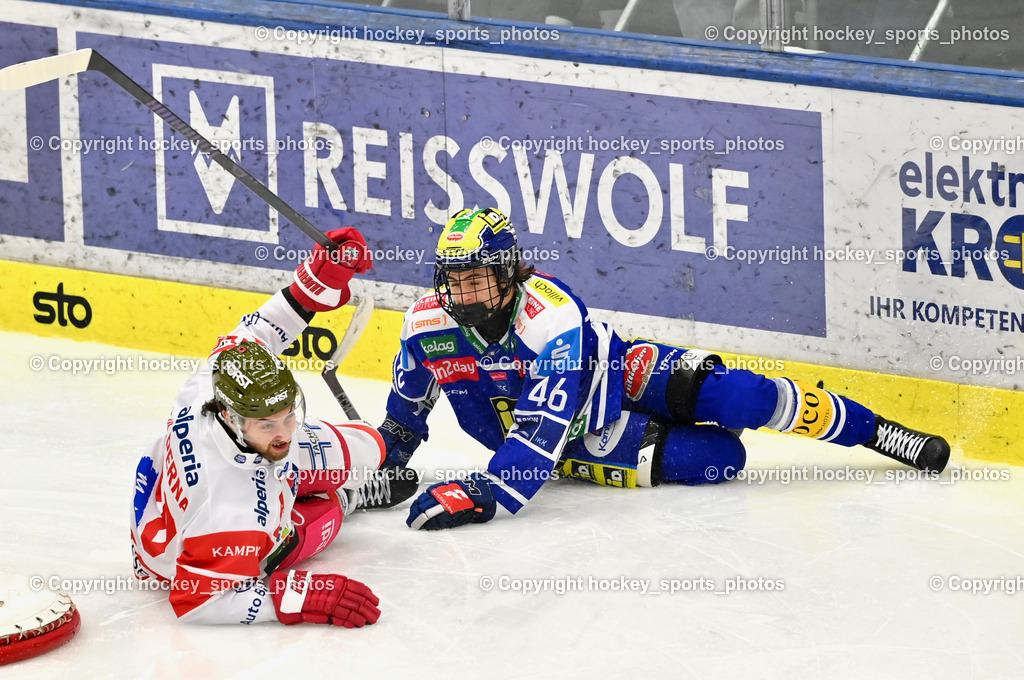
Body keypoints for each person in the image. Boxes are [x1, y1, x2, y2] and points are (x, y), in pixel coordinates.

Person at [375, 208, 950, 530]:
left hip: (612, 375)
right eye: (454, 278)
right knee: (721, 460)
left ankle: (874, 431)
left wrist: (484, 494)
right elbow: (401, 422)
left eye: (476, 278)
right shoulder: (428, 327)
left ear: (506, 276)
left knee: (741, 397)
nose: (463, 291)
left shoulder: (550, 318)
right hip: (581, 439)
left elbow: (534, 434)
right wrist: (374, 473)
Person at [131, 227, 387, 626]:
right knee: (322, 514)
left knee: (370, 448)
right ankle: (353, 500)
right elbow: (196, 602)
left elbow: (259, 330)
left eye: (289, 414)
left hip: (201, 484)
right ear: (231, 416)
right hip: (196, 545)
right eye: (269, 424)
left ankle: (349, 476)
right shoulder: (234, 512)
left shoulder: (215, 379)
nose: (285, 432)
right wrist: (298, 597)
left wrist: (316, 281)